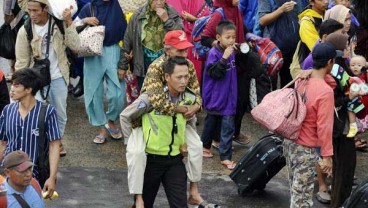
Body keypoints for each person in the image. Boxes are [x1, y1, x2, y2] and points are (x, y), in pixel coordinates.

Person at [121, 30, 211, 208]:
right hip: (147, 129)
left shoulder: (187, 66)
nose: (185, 55)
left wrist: (195, 107)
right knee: (137, 154)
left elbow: (196, 95)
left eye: (186, 50)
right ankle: (138, 198)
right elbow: (158, 102)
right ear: (167, 50)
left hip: (174, 153)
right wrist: (184, 109)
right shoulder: (156, 67)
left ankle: (194, 191)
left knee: (196, 146)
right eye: (180, 51)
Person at [14, 0, 80, 156]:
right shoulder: (26, 30)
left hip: (58, 76)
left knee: (60, 115)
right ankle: (40, 145)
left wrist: (69, 21)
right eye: (30, 10)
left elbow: (76, 46)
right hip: (35, 78)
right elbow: (22, 61)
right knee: (35, 115)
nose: (32, 14)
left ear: (46, 9)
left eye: (36, 10)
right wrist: (19, 85)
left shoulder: (59, 23)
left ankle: (56, 142)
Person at [284, 43, 335, 208]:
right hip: (305, 149)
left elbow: (332, 83)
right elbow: (324, 127)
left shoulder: (302, 80)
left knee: (295, 191)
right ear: (330, 62)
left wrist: (313, 73)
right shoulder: (325, 92)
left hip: (290, 142)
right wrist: (327, 156)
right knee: (302, 200)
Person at [0, 68, 61, 199]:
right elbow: (3, 143)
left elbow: (54, 146)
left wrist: (52, 178)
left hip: (34, 177)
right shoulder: (7, 111)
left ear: (28, 89)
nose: (12, 89)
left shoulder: (47, 112)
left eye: (17, 85)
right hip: (8, 176)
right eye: (12, 85)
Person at [140, 56, 192, 208]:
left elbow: (191, 124)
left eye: (186, 76)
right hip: (151, 162)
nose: (183, 81)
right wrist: (134, 149)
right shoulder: (150, 98)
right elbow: (126, 117)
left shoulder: (189, 98)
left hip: (175, 161)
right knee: (143, 204)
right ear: (167, 77)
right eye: (179, 77)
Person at [77, 0, 127, 144]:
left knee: (118, 93)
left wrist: (126, 57)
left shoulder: (118, 6)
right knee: (93, 93)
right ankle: (101, 128)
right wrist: (85, 20)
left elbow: (126, 32)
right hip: (92, 52)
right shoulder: (89, 7)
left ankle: (111, 121)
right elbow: (71, 27)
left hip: (113, 50)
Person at [201, 0, 250, 146]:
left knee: (239, 100)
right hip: (223, 63)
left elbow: (243, 31)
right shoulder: (219, 13)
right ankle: (217, 139)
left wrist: (249, 40)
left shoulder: (237, 10)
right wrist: (222, 49)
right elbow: (205, 38)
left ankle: (232, 133)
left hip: (237, 62)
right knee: (219, 108)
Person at [118, 0, 183, 90]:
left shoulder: (172, 13)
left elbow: (181, 36)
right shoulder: (138, 15)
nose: (159, 2)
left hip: (167, 66)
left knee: (166, 97)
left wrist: (167, 20)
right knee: (146, 97)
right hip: (144, 67)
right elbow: (127, 41)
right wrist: (123, 66)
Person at [201, 20, 238, 170]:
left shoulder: (231, 51)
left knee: (225, 124)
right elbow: (215, 73)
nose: (231, 41)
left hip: (228, 96)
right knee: (212, 121)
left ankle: (208, 147)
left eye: (233, 37)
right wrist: (224, 58)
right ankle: (225, 156)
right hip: (216, 96)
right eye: (228, 37)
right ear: (218, 37)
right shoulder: (214, 53)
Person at [258, 0, 307, 89]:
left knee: (290, 84)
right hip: (274, 50)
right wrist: (281, 10)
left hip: (294, 47)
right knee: (271, 84)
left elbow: (302, 13)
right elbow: (262, 20)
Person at [166, 0, 211, 83]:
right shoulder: (166, 3)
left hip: (194, 42)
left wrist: (195, 19)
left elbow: (209, 22)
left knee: (192, 74)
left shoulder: (197, 2)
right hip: (173, 43)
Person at [290, 0, 328, 79]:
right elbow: (316, 48)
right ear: (311, 2)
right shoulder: (307, 21)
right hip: (307, 67)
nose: (325, 1)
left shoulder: (328, 15)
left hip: (325, 64)